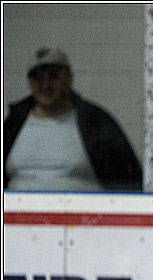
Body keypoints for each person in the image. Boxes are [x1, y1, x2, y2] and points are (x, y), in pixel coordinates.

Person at [3, 48, 142, 191]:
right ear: (29, 83)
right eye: (38, 78)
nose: (45, 85)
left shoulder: (94, 123)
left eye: (53, 76)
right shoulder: (13, 124)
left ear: (69, 78)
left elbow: (129, 180)